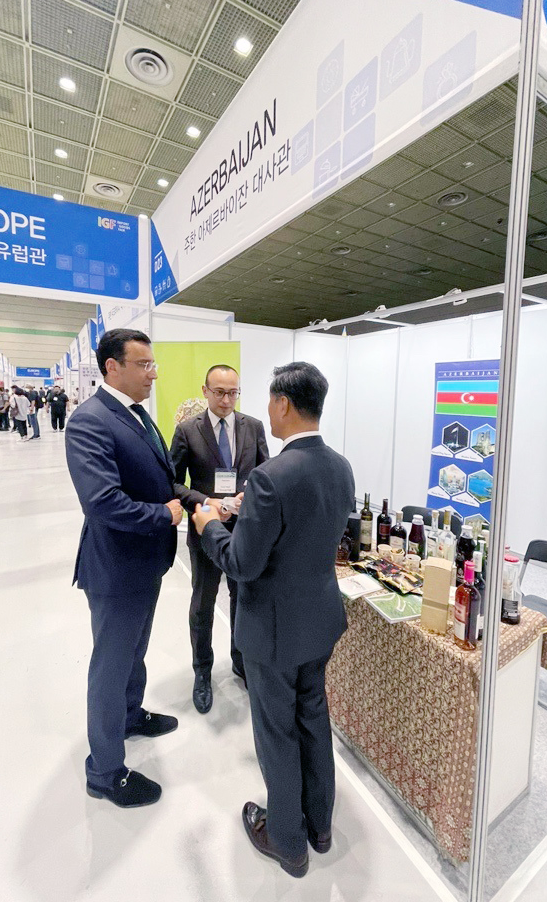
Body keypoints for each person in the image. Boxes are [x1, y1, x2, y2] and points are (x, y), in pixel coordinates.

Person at [193, 363, 355, 879]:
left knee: (277, 733)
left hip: (274, 631)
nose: (265, 410)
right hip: (319, 622)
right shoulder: (341, 466)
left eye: (267, 400)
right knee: (313, 719)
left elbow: (242, 563)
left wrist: (209, 526)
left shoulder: (270, 477)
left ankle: (286, 840)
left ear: (283, 404)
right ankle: (320, 827)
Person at [65, 328, 183, 809]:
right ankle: (105, 772)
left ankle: (131, 716)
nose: (153, 373)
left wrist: (198, 501)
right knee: (110, 669)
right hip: (116, 569)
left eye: (153, 364)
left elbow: (162, 481)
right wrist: (164, 516)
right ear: (112, 367)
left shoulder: (136, 414)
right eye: (143, 364)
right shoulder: (89, 421)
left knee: (135, 651)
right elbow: (102, 502)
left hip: (145, 563)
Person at [170, 364, 269, 713]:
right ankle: (202, 671)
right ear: (205, 391)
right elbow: (172, 483)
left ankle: (241, 661)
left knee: (244, 598)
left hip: (244, 529)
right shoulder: (187, 430)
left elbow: (264, 473)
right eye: (219, 392)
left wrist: (248, 495)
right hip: (206, 530)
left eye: (233, 393)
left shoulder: (252, 426)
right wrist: (205, 501)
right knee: (204, 601)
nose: (226, 400)